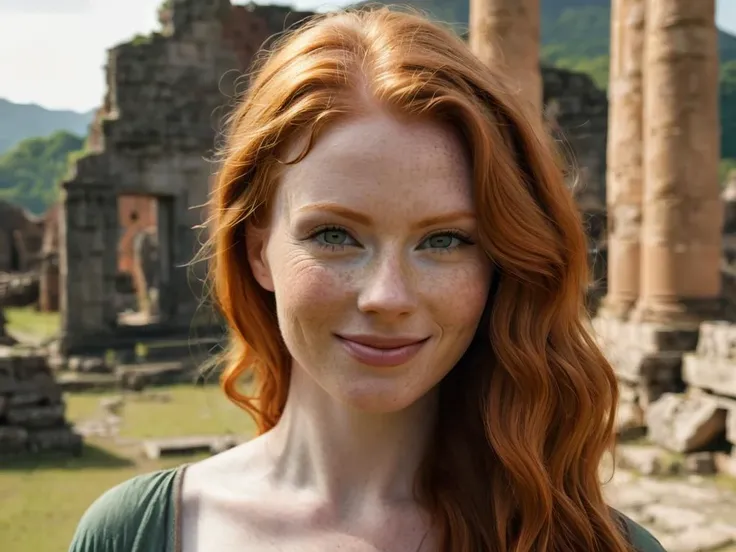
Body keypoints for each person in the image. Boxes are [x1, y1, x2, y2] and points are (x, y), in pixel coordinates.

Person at [68, 7, 667, 552]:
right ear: (257, 252)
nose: (387, 296)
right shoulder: (128, 535)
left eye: (445, 240)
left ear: (499, 264)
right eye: (334, 235)